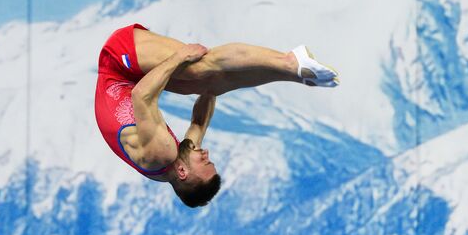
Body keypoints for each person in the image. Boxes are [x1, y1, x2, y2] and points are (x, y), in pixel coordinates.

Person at [94, 23, 339, 207]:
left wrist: (180, 58)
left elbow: (141, 95)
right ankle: (295, 74)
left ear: (183, 173)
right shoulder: (176, 165)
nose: (206, 154)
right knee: (209, 82)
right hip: (131, 77)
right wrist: (212, 90)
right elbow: (198, 123)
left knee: (199, 66)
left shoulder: (161, 153)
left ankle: (288, 61)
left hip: (116, 61)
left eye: (206, 162)